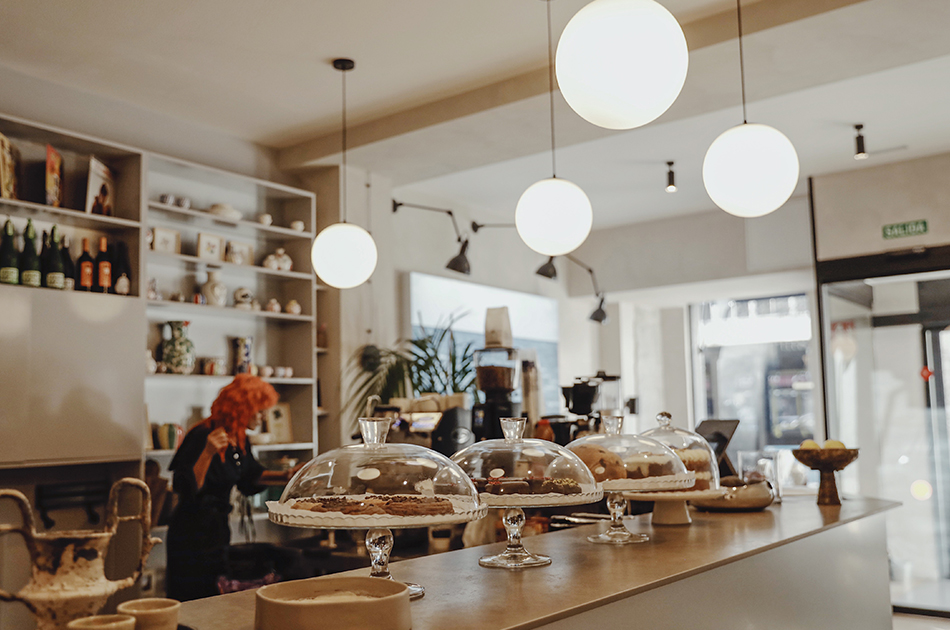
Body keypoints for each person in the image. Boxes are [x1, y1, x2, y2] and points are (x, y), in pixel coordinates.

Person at [165, 374, 298, 601]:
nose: (263, 416)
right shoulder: (202, 434)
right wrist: (207, 453)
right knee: (193, 597)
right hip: (191, 533)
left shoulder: (239, 438)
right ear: (243, 408)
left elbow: (250, 476)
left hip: (217, 532)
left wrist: (287, 476)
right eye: (259, 410)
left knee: (214, 596)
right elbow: (185, 487)